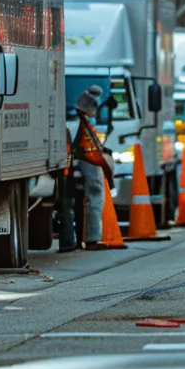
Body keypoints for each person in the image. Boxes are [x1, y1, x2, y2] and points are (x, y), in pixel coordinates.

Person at [73, 85, 111, 249]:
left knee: (91, 200)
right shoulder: (80, 125)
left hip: (87, 163)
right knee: (95, 197)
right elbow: (82, 148)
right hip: (88, 164)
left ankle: (89, 238)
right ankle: (92, 239)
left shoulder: (83, 125)